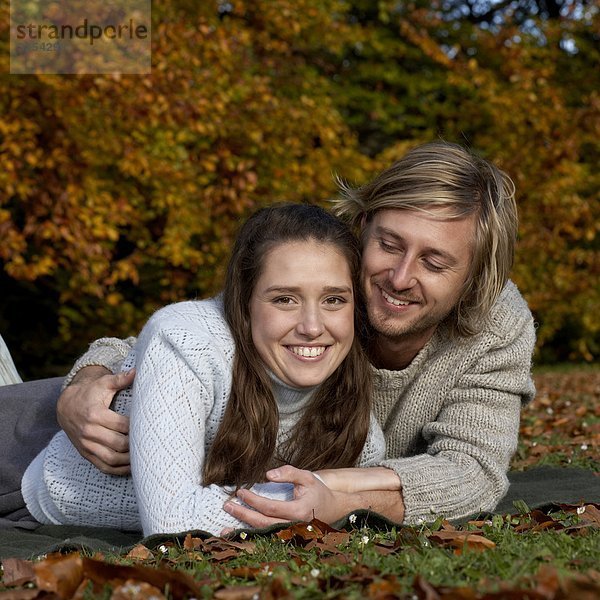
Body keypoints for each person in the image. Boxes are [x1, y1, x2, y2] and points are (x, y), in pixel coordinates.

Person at [55, 141, 537, 527]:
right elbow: (201, 331)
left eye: (434, 262)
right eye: (390, 244)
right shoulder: (331, 263)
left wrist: (339, 498)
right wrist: (81, 383)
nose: (399, 277)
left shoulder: (498, 326)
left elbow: (472, 471)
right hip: (117, 433)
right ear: (364, 225)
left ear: (476, 277)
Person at [20, 204, 386, 536]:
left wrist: (337, 497)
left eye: (334, 299)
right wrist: (330, 498)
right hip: (20, 479)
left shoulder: (357, 421)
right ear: (242, 303)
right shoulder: (187, 341)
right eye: (284, 299)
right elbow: (172, 523)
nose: (312, 325)